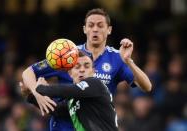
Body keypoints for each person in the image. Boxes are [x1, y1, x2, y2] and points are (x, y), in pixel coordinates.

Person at [22, 8, 152, 131]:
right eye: (91, 25)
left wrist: (129, 61)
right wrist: (35, 94)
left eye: (100, 25)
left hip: (95, 124)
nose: (95, 29)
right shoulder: (68, 55)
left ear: (109, 30)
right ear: (84, 29)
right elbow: (28, 72)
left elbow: (147, 86)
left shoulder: (117, 58)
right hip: (63, 124)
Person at [23, 51, 118, 131]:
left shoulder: (96, 84)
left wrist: (40, 88)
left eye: (86, 66)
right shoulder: (72, 100)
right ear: (70, 73)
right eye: (77, 67)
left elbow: (68, 90)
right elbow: (57, 110)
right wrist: (31, 96)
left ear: (93, 72)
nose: (82, 70)